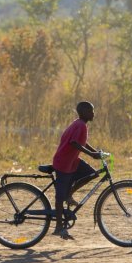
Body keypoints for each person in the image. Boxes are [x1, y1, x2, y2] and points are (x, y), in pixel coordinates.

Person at [51, 101, 102, 240]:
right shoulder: (80, 125)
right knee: (60, 197)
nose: (93, 113)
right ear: (84, 112)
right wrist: (91, 155)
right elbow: (74, 142)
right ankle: (58, 227)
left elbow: (82, 142)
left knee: (92, 173)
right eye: (91, 111)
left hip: (72, 161)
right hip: (64, 163)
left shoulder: (79, 124)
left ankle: (69, 193)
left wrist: (94, 151)